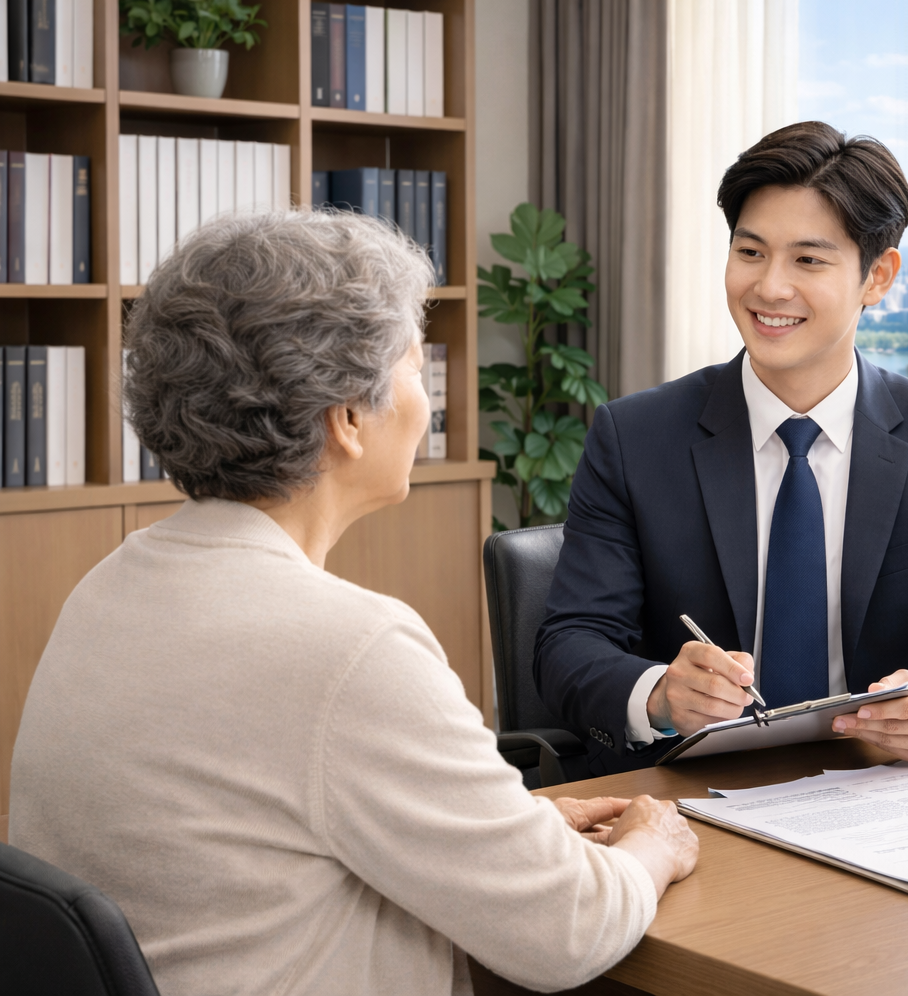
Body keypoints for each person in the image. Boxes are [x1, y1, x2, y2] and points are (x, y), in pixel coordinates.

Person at [9, 210, 697, 996]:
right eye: (414, 370)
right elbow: (568, 931)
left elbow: (261, 817)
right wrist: (653, 843)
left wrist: (515, 831)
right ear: (346, 420)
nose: (428, 404)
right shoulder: (348, 648)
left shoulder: (108, 586)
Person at [535, 121, 908, 776]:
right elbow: (569, 647)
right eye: (751, 252)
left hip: (873, 795)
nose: (769, 288)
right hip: (688, 794)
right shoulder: (634, 437)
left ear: (878, 277)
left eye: (808, 260)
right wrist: (661, 694)